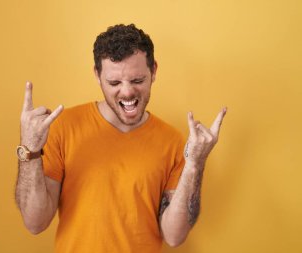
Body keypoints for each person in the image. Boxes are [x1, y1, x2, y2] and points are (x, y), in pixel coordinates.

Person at [15, 24, 227, 253]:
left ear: (153, 71)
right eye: (114, 83)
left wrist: (195, 164)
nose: (127, 92)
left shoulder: (172, 142)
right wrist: (30, 150)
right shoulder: (64, 127)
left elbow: (174, 236)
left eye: (137, 81)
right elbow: (35, 223)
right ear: (97, 75)